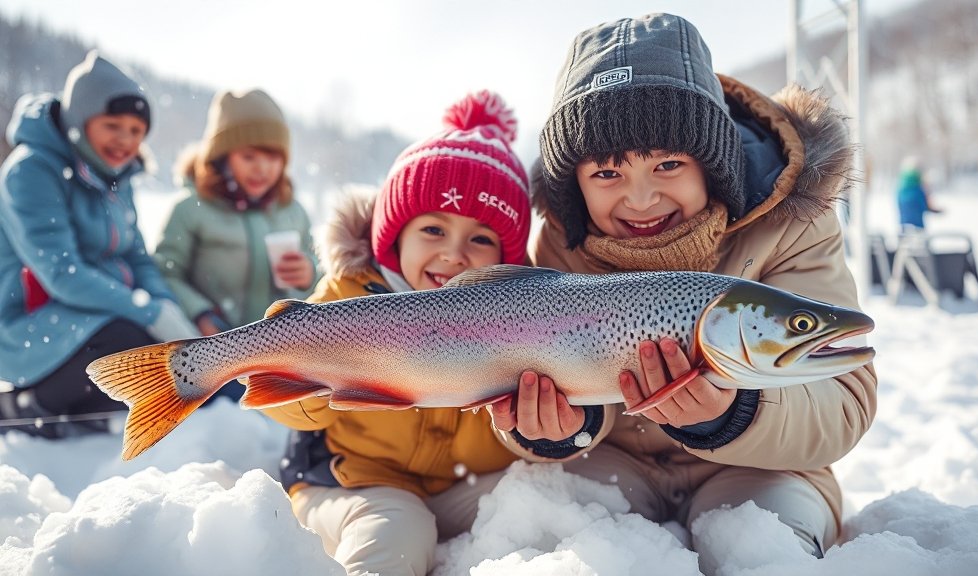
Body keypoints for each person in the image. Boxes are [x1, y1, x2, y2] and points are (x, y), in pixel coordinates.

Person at [487, 13, 878, 573]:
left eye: (668, 164)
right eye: (606, 174)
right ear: (575, 183)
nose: (640, 198)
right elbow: (512, 382)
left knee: (763, 554)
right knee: (569, 548)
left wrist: (731, 413)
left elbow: (843, 402)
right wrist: (556, 431)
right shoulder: (561, 243)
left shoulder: (794, 222)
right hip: (612, 460)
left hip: (764, 465)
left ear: (713, 165)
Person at [261, 90, 531, 575]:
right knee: (395, 533)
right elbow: (286, 402)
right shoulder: (351, 296)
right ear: (394, 236)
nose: (454, 253)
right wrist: (317, 381)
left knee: (549, 506)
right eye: (433, 230)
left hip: (462, 487)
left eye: (481, 238)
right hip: (352, 481)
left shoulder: (522, 319)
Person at [0, 50, 199, 438]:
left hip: (94, 316)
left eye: (136, 131)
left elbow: (137, 257)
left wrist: (167, 309)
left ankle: (84, 407)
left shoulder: (114, 177)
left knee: (159, 358)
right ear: (81, 120)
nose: (125, 141)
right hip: (28, 323)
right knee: (126, 341)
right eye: (113, 125)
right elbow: (63, 273)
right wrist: (148, 314)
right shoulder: (31, 171)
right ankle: (23, 407)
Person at [153, 88, 317, 401]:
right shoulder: (191, 208)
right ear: (222, 157)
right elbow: (164, 271)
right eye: (249, 156)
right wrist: (200, 313)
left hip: (278, 356)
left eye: (272, 157)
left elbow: (323, 283)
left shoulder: (293, 212)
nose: (262, 168)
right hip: (208, 351)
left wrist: (308, 273)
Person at [896, 156, 941, 230]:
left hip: (903, 226)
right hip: (917, 226)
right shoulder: (919, 189)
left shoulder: (900, 188)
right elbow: (925, 206)